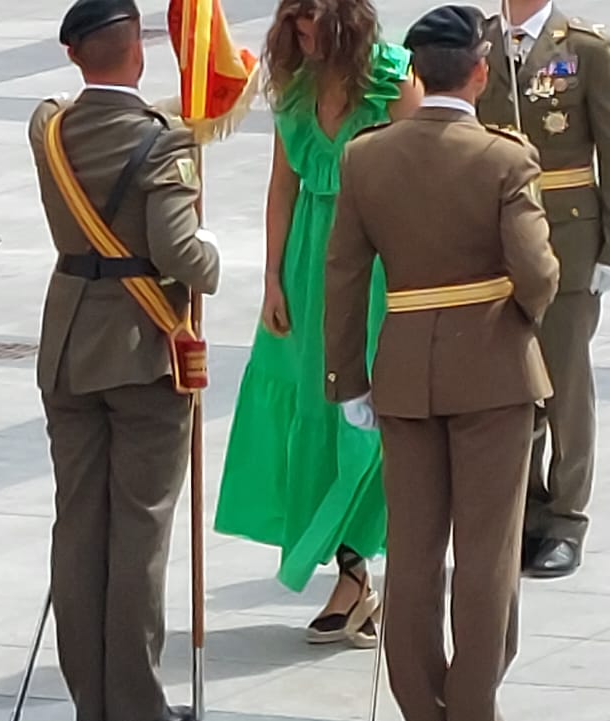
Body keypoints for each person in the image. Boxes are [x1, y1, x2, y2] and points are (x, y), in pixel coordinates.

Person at [324, 5, 560, 719]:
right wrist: (520, 317)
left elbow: (341, 277)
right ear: (482, 71)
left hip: (402, 373)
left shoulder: (367, 155)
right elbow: (539, 273)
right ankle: (471, 704)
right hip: (493, 370)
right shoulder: (504, 155)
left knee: (415, 552)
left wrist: (347, 380)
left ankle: (421, 705)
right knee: (486, 555)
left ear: (417, 75)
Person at [26, 1, 221, 720]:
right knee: (139, 528)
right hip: (143, 351)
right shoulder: (162, 143)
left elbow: (61, 114)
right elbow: (178, 252)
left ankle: (91, 697)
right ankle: (135, 702)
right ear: (137, 52)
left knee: (79, 525)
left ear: (75, 56)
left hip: (70, 343)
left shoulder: (48, 129)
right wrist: (214, 260)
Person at [212, 0, 423, 649]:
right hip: (310, 261)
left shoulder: (394, 80)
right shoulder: (297, 87)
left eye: (313, 26)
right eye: (293, 26)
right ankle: (352, 574)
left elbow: (421, 171)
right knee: (318, 411)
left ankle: (357, 573)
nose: (301, 38)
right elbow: (282, 185)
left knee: (369, 417)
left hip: (378, 260)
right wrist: (273, 277)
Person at [477, 0, 610, 578]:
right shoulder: (478, 42)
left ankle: (566, 518)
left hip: (567, 240)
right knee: (510, 386)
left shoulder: (587, 48)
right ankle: (521, 514)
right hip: (496, 241)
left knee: (565, 387)